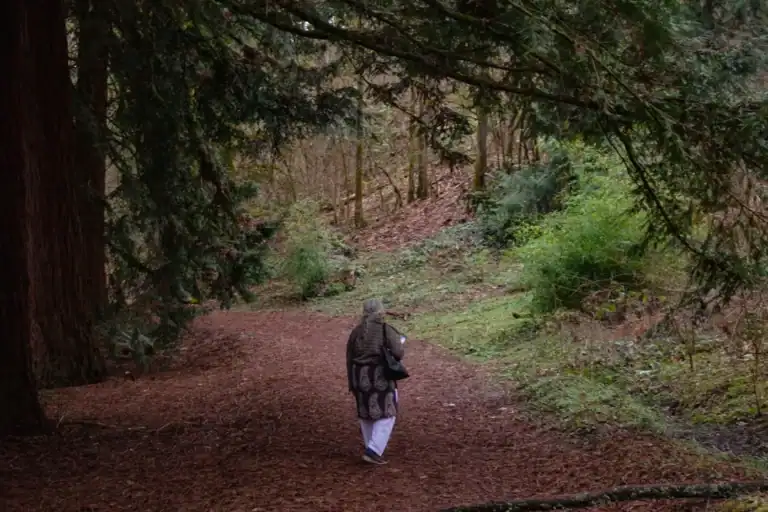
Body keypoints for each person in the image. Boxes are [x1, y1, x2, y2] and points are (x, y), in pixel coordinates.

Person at [346, 298, 406, 465]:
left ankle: (370, 446)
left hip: (358, 375)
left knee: (366, 412)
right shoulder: (385, 329)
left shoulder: (356, 332)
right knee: (388, 412)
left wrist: (351, 382)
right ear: (381, 311)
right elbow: (398, 353)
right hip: (378, 376)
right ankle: (373, 450)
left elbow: (349, 357)